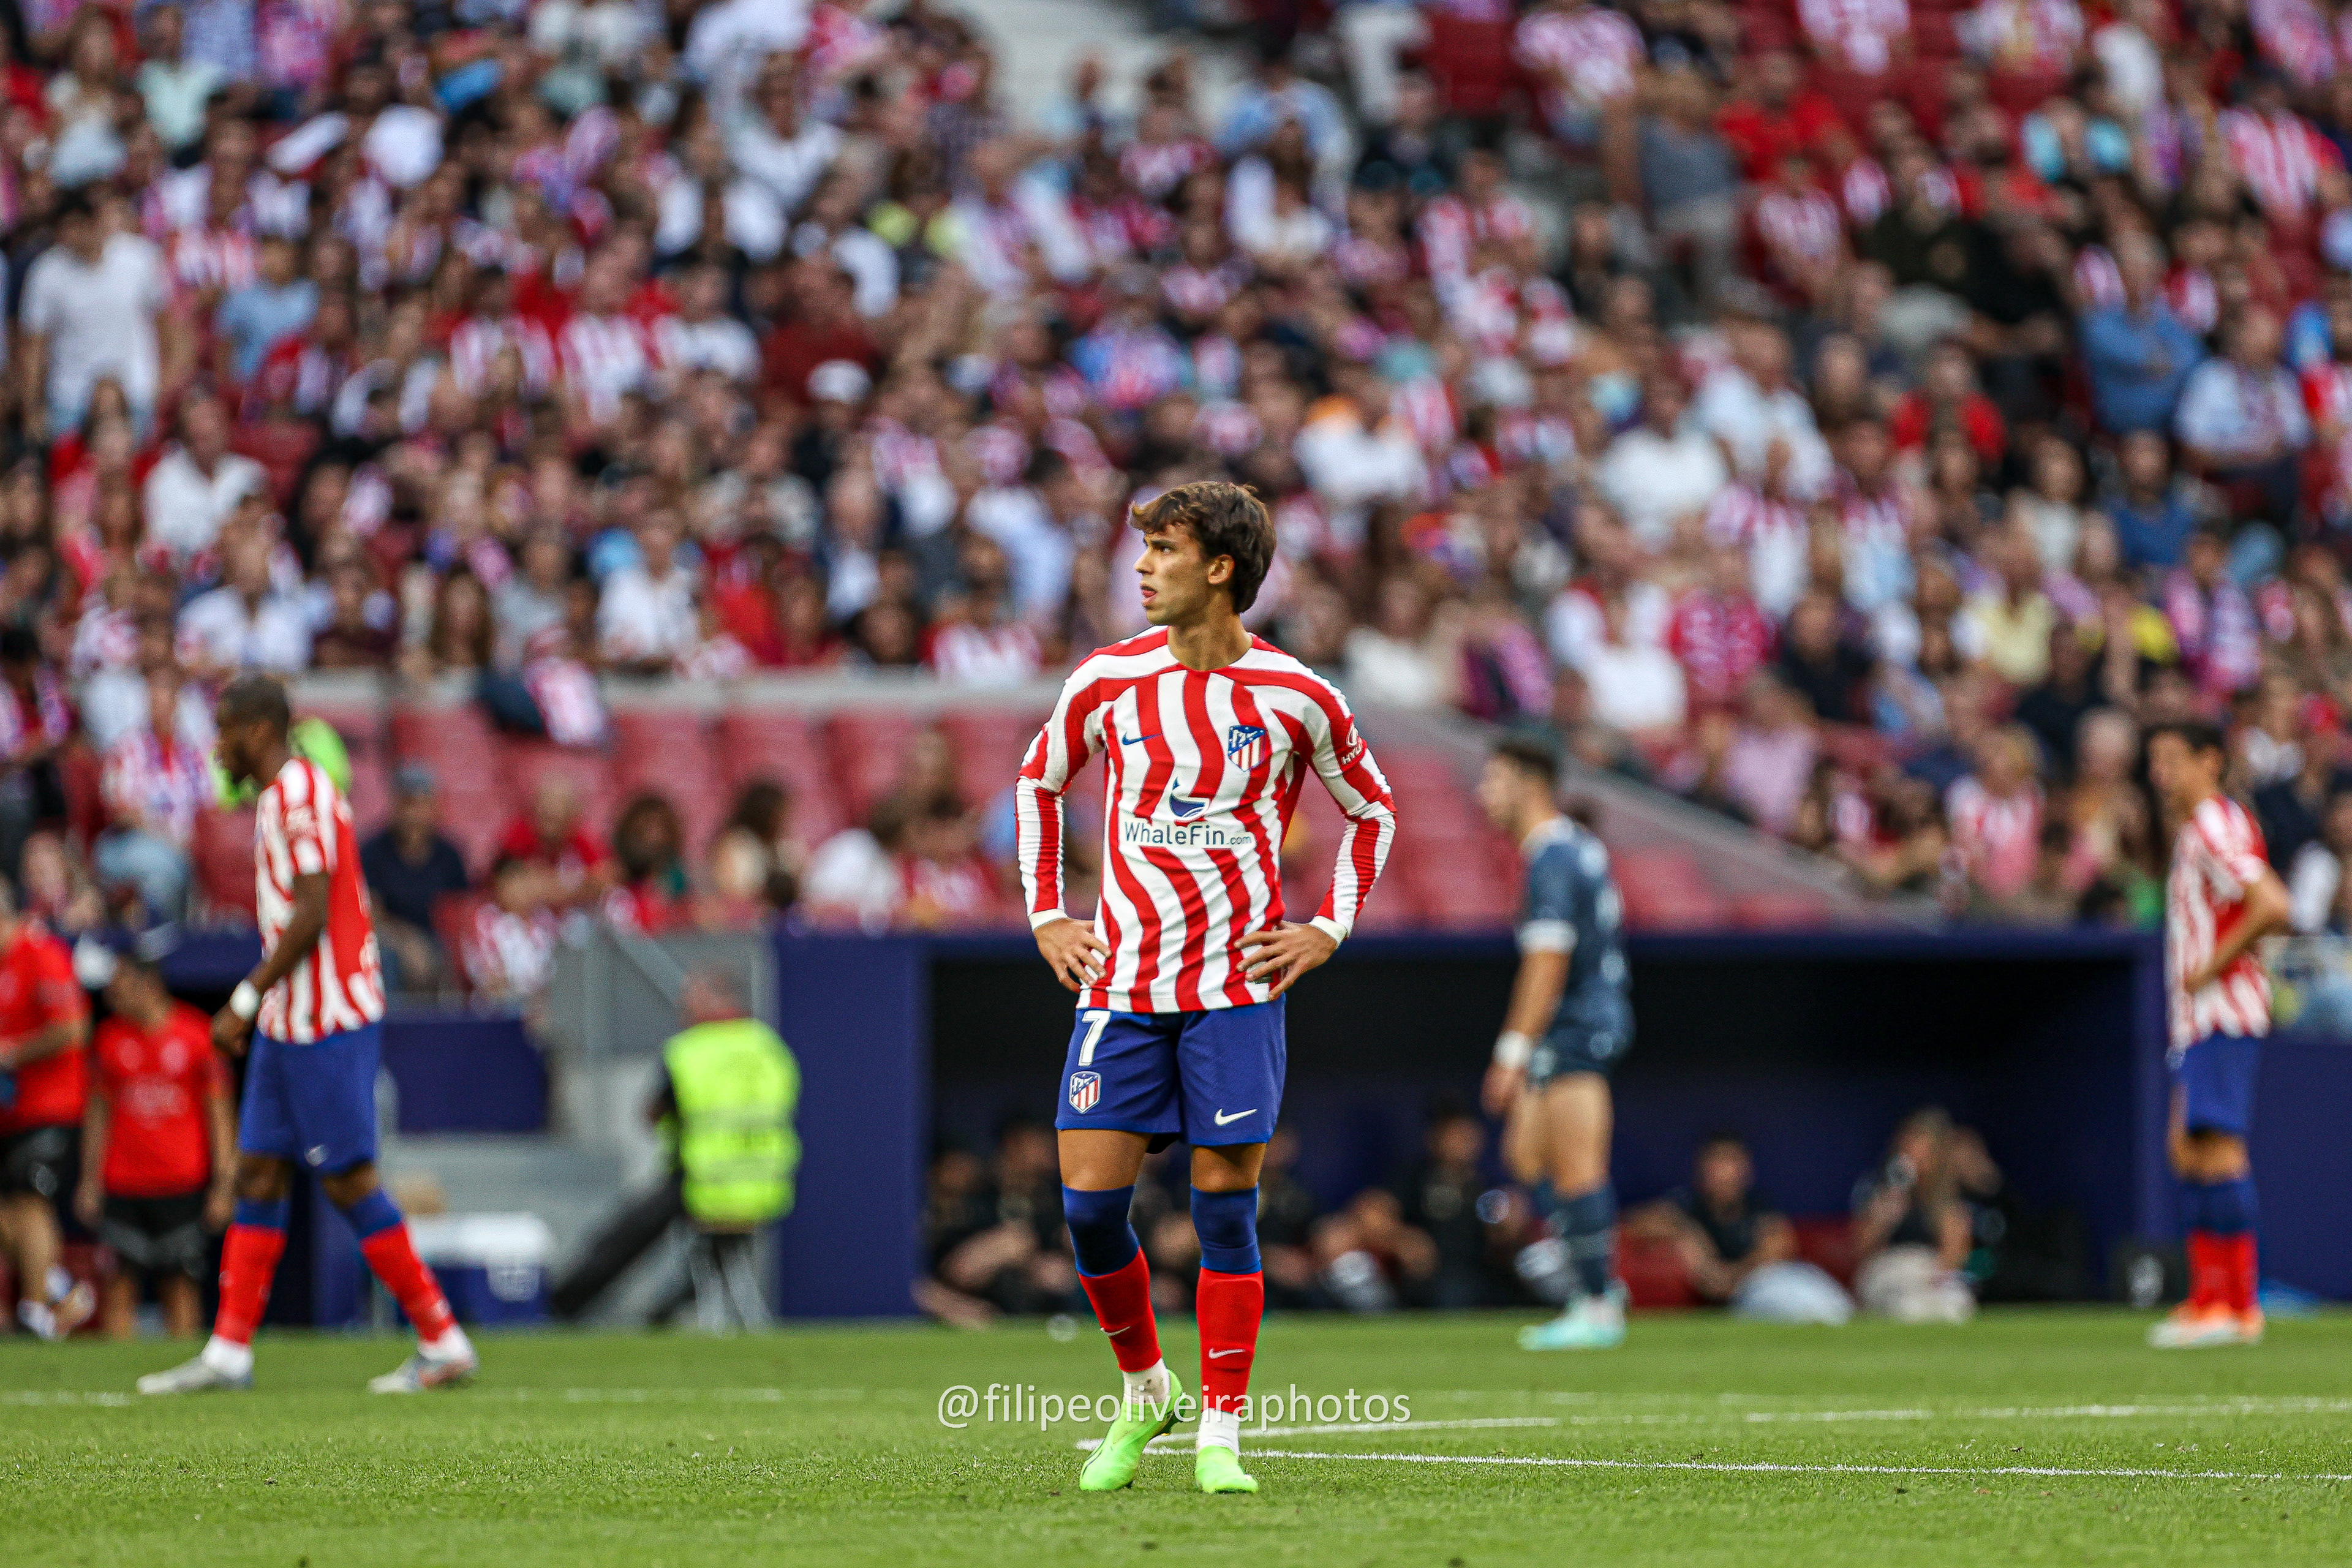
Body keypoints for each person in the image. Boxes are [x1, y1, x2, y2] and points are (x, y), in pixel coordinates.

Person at [1016, 480, 1396, 1497]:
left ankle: (1221, 1432)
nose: (1141, 567)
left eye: (1163, 550)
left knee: (1224, 1210)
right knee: (1091, 1212)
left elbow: (1373, 810)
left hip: (1234, 990)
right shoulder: (1106, 680)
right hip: (1123, 984)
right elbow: (1037, 784)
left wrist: (1326, 927)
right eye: (1142, 550)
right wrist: (1049, 911)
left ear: (1220, 569)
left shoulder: (1298, 697)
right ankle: (1147, 1391)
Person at [138, 675, 475, 1395]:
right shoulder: (276, 798)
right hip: (290, 1020)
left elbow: (314, 910)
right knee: (258, 1171)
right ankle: (229, 1351)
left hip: (329, 1017)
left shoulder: (302, 794)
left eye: (226, 728)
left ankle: (441, 1337)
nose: (218, 743)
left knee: (350, 1179)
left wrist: (244, 996)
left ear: (259, 729)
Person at [1476, 737, 1633, 1351]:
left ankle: (1597, 1303)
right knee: (1526, 1153)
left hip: (1577, 1026)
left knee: (1577, 1165)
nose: (1483, 792)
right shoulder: (1571, 847)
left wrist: (1511, 1052)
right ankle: (1596, 1288)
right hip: (1583, 1021)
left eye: (1493, 778)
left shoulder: (1553, 857)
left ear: (1529, 781)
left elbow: (1547, 962)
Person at [2145, 718, 2290, 1349]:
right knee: (2187, 1148)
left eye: (2174, 759)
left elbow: (2273, 903)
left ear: (2210, 761)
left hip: (2224, 1011)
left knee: (2219, 1150)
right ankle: (2209, 1298)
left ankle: (2237, 1305)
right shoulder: (2191, 830)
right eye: (2155, 761)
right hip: (2197, 1019)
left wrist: (2211, 964)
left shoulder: (2215, 824)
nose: (2161, 774)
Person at [74, 935, 233, 1339]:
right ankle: (117, 1389)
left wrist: (224, 1184)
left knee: (180, 1286)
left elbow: (220, 1116)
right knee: (119, 1286)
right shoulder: (109, 1040)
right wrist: (89, 1181)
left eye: (122, 984)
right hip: (124, 1184)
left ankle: (184, 1376)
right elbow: (98, 1116)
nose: (112, 995)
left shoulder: (197, 1035)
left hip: (182, 1183)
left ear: (149, 984)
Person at [644, 967, 798, 1330]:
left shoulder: (689, 1050)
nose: (684, 1007)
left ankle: (569, 1301)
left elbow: (654, 1112)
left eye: (691, 998)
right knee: (728, 1250)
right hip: (767, 1186)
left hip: (705, 1185)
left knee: (643, 1227)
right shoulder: (768, 1046)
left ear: (714, 1000)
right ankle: (668, 1311)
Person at [0, 880, 95, 1338]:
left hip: (51, 1105)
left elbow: (73, 1029)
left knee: (30, 1201)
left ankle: (37, 1309)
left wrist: (14, 1054)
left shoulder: (40, 952)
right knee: (10, 1209)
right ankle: (59, 1288)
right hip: (13, 1110)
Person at [1629, 1131, 1852, 1324]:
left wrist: (1729, 1277)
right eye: (1715, 1162)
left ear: (1745, 1168)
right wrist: (1690, 1236)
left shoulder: (1757, 1205)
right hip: (1749, 1297)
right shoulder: (1689, 1205)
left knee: (1826, 1301)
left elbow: (1781, 1247)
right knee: (1791, 1307)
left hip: (1770, 1279)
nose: (1722, 1172)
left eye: (1730, 1162)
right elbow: (1638, 1222)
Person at [359, 764, 471, 994]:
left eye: (421, 805)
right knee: (384, 955)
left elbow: (461, 910)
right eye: (407, 804)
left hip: (439, 941)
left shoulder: (450, 854)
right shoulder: (372, 851)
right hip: (390, 939)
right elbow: (370, 913)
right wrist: (407, 943)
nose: (413, 815)